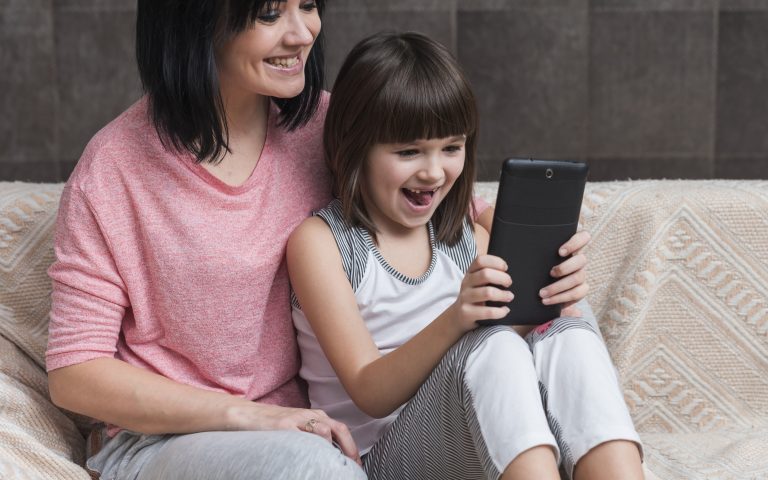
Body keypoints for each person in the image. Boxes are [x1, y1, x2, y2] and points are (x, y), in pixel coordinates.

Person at [287, 31, 644, 480]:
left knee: (567, 333)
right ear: (352, 148)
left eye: (451, 148)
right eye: (408, 151)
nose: (434, 171)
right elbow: (368, 391)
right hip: (383, 457)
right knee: (490, 345)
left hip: (477, 441)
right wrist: (459, 318)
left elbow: (513, 355)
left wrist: (556, 296)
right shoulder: (322, 244)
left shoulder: (462, 233)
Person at [45, 1, 368, 478]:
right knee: (311, 467)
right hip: (162, 443)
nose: (303, 34)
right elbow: (75, 373)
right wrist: (252, 416)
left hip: (312, 428)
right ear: (197, 24)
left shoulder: (330, 126)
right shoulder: (114, 167)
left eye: (309, 6)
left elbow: (452, 204)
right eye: (270, 14)